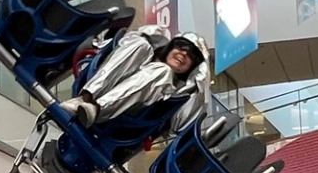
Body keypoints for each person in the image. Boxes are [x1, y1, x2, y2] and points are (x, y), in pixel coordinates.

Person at [56, 26, 210, 141]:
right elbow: (122, 43)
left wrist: (199, 81)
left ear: (193, 67)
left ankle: (96, 108)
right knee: (141, 44)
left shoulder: (180, 93)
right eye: (182, 46)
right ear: (171, 47)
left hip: (130, 117)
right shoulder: (145, 51)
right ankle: (85, 98)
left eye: (192, 55)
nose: (184, 53)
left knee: (163, 71)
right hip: (95, 89)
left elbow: (179, 126)